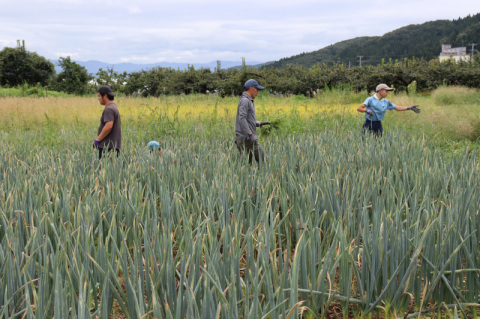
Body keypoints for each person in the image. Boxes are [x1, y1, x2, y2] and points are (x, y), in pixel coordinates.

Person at [235, 79, 270, 164]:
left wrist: (259, 123)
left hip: (249, 138)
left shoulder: (248, 100)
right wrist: (250, 134)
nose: (257, 92)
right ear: (251, 88)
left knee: (249, 164)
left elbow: (247, 119)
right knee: (263, 161)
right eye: (257, 90)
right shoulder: (245, 101)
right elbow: (242, 118)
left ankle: (256, 176)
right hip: (245, 138)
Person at [93, 85, 122, 159]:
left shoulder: (109, 109)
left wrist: (97, 140)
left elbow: (108, 126)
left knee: (103, 170)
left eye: (99, 96)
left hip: (108, 147)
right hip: (112, 147)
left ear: (105, 96)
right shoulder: (113, 107)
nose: (98, 98)